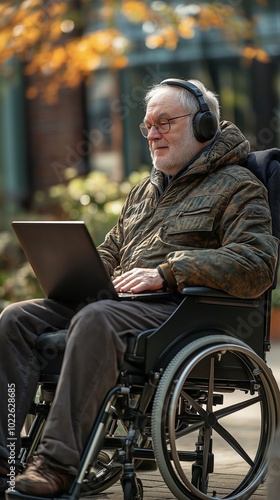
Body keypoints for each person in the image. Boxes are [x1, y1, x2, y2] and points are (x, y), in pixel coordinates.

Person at [0, 77, 278, 497]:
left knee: (97, 318)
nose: (152, 134)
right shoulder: (144, 193)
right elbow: (110, 252)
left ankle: (55, 465)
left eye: (165, 122)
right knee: (17, 318)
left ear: (203, 125)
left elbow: (258, 265)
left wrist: (169, 271)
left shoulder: (239, 187)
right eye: (148, 125)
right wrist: (78, 269)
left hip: (181, 312)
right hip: (119, 304)